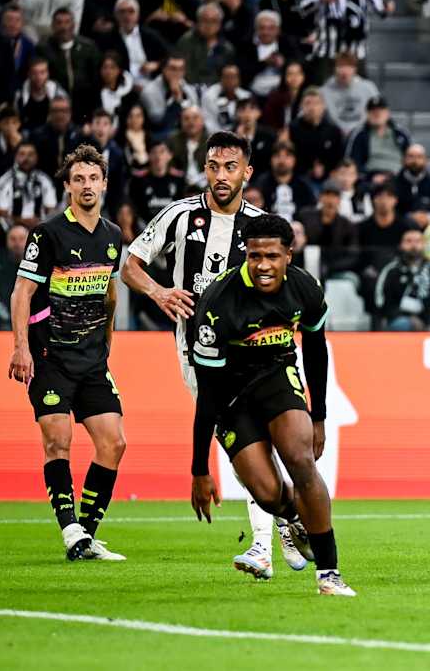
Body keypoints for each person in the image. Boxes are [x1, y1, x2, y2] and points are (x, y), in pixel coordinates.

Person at [120, 130, 305, 576]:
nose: (221, 176)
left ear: (247, 172)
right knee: (243, 443)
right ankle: (284, 523)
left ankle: (266, 542)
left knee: (253, 440)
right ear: (204, 169)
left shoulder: (260, 225)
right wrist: (159, 291)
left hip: (252, 352)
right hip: (197, 354)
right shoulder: (179, 216)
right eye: (214, 167)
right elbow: (130, 265)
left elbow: (281, 282)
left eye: (230, 167)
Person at [188, 213, 354, 596]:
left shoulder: (304, 288)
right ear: (246, 254)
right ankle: (294, 518)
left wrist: (318, 416)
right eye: (255, 256)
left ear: (288, 256)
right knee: (266, 493)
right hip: (231, 396)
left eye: (272, 256)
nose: (263, 265)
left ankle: (329, 574)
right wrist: (199, 469)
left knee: (301, 459)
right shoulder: (218, 302)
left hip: (278, 378)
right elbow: (208, 394)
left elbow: (315, 350)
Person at [7, 144, 126, 562]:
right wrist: (20, 347)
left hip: (92, 361)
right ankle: (70, 528)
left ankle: (86, 535)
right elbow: (22, 292)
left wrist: (108, 343)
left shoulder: (113, 236)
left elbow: (110, 293)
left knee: (114, 443)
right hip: (50, 357)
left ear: (104, 184)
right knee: (58, 440)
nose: (87, 185)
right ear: (67, 187)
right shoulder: (48, 234)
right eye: (79, 179)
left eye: (93, 178)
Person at [374, 227, 430, 330]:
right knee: (402, 324)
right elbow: (380, 299)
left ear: (424, 245)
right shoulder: (391, 270)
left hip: (429, 322)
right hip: (397, 318)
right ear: (400, 245)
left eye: (418, 241)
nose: (413, 245)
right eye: (408, 241)